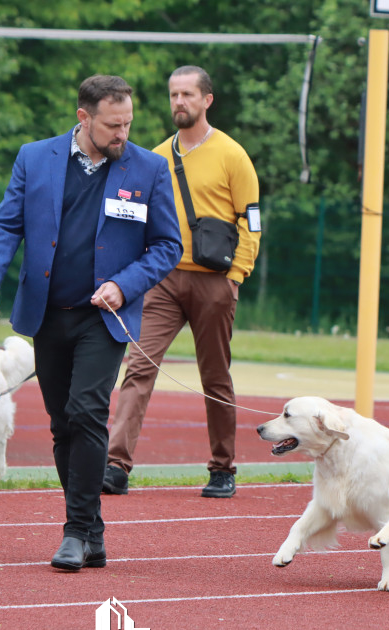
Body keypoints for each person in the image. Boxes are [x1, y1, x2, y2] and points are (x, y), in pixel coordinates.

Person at [0, 75, 183, 571]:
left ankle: (72, 532)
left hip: (104, 318)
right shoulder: (34, 157)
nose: (122, 134)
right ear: (83, 118)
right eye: (113, 125)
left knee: (87, 413)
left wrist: (124, 285)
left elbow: (168, 246)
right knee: (63, 423)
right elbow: (5, 224)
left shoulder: (148, 168)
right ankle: (93, 530)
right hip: (46, 314)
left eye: (128, 123)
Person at [103, 65, 261, 499]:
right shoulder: (153, 156)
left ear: (207, 100)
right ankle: (116, 464)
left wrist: (235, 276)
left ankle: (222, 467)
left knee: (215, 376)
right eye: (174, 95)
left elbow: (253, 223)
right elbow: (134, 221)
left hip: (214, 281)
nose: (179, 103)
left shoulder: (233, 155)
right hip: (162, 280)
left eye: (188, 95)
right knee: (138, 367)